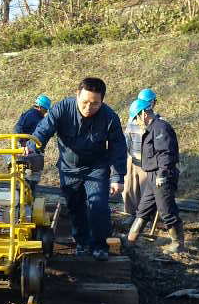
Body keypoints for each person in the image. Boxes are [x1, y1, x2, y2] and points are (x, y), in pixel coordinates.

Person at [27, 77, 126, 261]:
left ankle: (99, 246)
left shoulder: (109, 117)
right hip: (69, 168)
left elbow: (118, 146)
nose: (89, 108)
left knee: (98, 205)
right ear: (77, 95)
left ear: (102, 101)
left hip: (96, 168)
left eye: (95, 104)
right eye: (85, 102)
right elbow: (43, 130)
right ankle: (82, 244)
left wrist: (118, 177)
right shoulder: (62, 108)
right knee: (75, 207)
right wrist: (32, 147)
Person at [126, 99, 184, 253]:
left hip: (161, 177)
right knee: (143, 209)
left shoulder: (160, 127)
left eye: (136, 118)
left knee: (166, 210)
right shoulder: (151, 128)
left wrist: (162, 174)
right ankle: (130, 241)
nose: (136, 122)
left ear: (143, 114)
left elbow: (166, 153)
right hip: (152, 177)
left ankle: (178, 243)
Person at [122, 88, 157, 221]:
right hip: (132, 160)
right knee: (129, 190)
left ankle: (146, 219)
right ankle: (130, 215)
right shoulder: (132, 119)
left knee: (146, 193)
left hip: (147, 163)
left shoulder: (156, 121)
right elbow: (127, 138)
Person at [14, 95, 52, 194]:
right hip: (28, 150)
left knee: (32, 178)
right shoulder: (32, 115)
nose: (46, 112)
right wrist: (23, 143)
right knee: (27, 178)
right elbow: (18, 128)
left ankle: (27, 197)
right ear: (40, 107)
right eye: (45, 110)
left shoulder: (36, 115)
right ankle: (25, 197)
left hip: (34, 150)